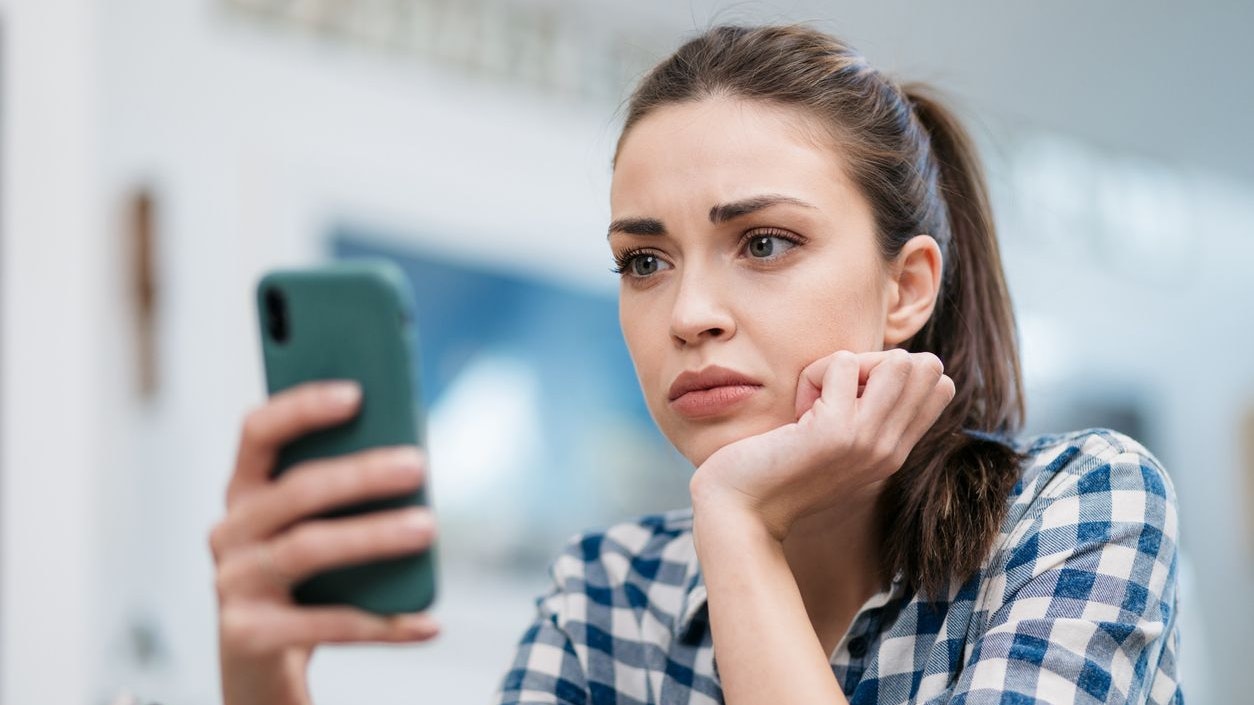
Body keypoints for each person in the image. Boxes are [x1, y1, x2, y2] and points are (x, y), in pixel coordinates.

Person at [210, 23, 1182, 705]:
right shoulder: (609, 592)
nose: (688, 314)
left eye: (763, 243)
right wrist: (266, 682)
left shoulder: (1080, 510)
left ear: (907, 289)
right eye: (643, 262)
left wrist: (739, 525)